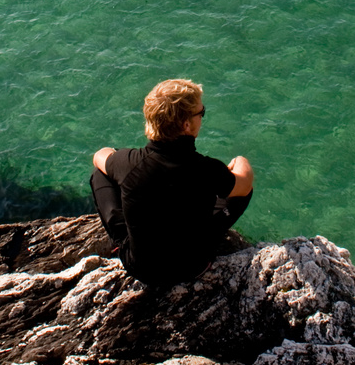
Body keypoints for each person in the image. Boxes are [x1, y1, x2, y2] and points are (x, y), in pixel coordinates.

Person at [91, 78, 253, 287]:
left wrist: (118, 160)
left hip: (142, 270)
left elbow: (100, 155)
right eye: (201, 113)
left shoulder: (130, 163)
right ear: (186, 124)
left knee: (100, 174)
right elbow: (245, 183)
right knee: (239, 192)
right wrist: (240, 161)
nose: (202, 117)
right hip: (193, 266)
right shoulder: (207, 169)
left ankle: (119, 239)